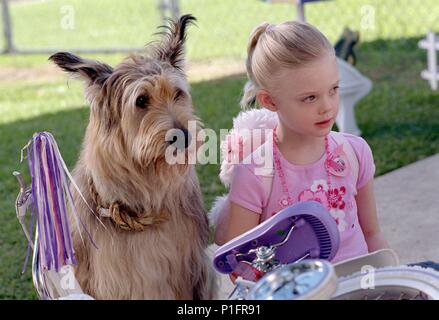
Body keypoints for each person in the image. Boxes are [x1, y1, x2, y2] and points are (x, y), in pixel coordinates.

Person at [214, 20, 389, 264]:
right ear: (270, 101)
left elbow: (372, 233)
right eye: (310, 98)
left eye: (334, 89)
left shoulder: (354, 153)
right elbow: (239, 263)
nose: (327, 106)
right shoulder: (255, 174)